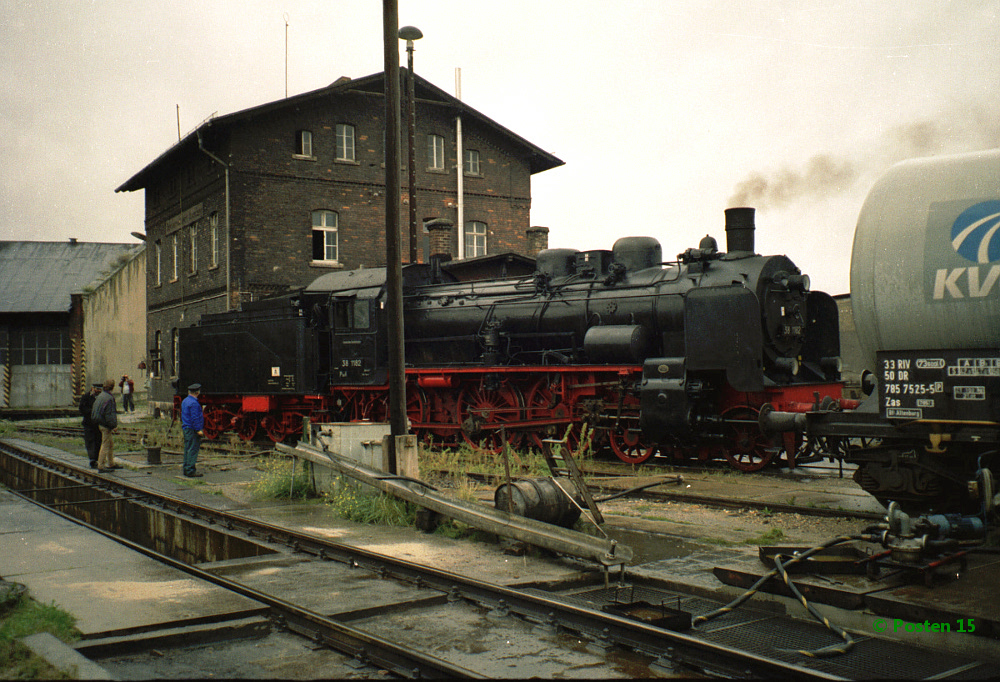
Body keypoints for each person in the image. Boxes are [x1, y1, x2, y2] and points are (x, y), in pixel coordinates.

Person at [91, 379, 120, 473]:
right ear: (112, 387)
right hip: (105, 425)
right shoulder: (109, 398)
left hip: (100, 423)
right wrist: (113, 426)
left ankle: (111, 463)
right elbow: (109, 414)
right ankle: (101, 465)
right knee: (105, 444)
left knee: (110, 443)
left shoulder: (101, 396)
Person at [181, 383, 205, 478]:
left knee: (187, 448)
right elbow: (195, 418)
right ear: (197, 392)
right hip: (192, 429)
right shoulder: (194, 403)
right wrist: (198, 429)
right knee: (192, 449)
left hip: (186, 427)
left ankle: (186, 468)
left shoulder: (185, 401)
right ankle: (190, 470)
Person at [79, 383, 103, 468]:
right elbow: (81, 409)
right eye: (97, 389)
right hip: (88, 423)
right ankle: (92, 459)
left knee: (98, 441)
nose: (98, 391)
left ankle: (96, 458)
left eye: (100, 389)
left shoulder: (101, 398)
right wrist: (91, 411)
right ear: (92, 388)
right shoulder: (86, 397)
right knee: (90, 441)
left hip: (98, 424)